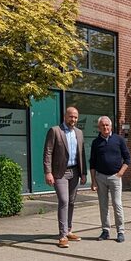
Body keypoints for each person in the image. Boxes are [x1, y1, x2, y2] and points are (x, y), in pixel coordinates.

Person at [43, 106, 87, 248]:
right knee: (64, 200)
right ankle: (62, 235)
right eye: (71, 116)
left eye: (75, 117)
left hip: (75, 172)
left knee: (72, 201)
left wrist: (83, 173)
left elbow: (82, 153)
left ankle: (68, 230)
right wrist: (48, 172)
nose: (73, 119)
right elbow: (48, 152)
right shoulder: (55, 131)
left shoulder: (79, 133)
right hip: (60, 173)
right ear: (65, 116)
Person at [89, 115, 130, 243]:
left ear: (111, 126)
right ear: (99, 127)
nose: (105, 127)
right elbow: (92, 163)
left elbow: (127, 158)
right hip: (100, 177)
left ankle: (120, 231)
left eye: (107, 125)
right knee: (103, 205)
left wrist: (120, 173)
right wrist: (93, 181)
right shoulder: (96, 142)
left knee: (117, 204)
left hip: (115, 177)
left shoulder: (119, 140)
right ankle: (105, 231)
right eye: (102, 125)